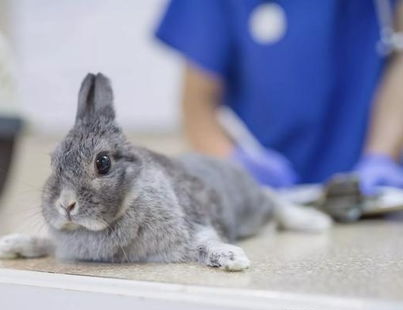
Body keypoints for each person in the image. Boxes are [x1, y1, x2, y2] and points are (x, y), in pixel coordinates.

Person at [155, 0, 403, 194]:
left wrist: (381, 156)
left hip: (377, 193)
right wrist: (233, 164)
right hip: (273, 199)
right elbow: (198, 105)